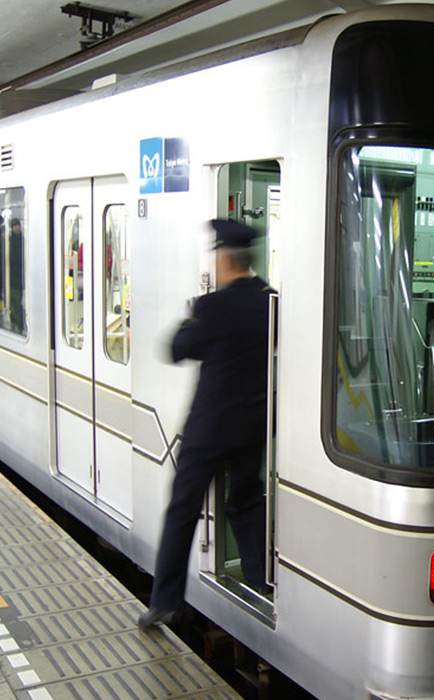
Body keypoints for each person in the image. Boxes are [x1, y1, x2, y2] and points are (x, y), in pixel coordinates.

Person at [139, 219, 276, 629]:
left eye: (216, 257)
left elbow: (176, 351)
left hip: (208, 430)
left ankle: (165, 601)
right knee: (247, 499)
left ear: (226, 259)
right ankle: (257, 579)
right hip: (252, 426)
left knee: (183, 509)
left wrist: (189, 319)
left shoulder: (212, 306)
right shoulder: (270, 300)